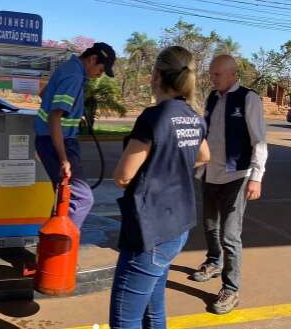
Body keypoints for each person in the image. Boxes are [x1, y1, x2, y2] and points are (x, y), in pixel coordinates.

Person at [109, 46, 210, 329]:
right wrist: (171, 168)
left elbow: (123, 176)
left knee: (124, 319)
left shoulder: (154, 117)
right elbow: (204, 156)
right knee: (154, 311)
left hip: (149, 230)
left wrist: (158, 172)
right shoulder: (194, 116)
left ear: (156, 75)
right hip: (177, 227)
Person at [191, 54, 267, 315]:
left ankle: (231, 289)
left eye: (217, 74)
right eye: (211, 74)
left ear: (233, 74)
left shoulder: (249, 98)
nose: (212, 78)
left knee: (230, 235)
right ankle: (213, 262)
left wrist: (256, 177)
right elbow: (207, 134)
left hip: (237, 175)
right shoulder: (213, 97)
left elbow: (259, 141)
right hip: (210, 174)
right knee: (210, 225)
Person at [34, 42, 116, 229]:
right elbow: (55, 118)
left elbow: (45, 93)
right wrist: (63, 159)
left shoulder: (70, 69)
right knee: (81, 198)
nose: (99, 75)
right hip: (58, 142)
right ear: (93, 59)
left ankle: (49, 246)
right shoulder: (74, 76)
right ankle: (62, 249)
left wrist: (71, 112)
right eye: (101, 70)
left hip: (50, 140)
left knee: (64, 197)